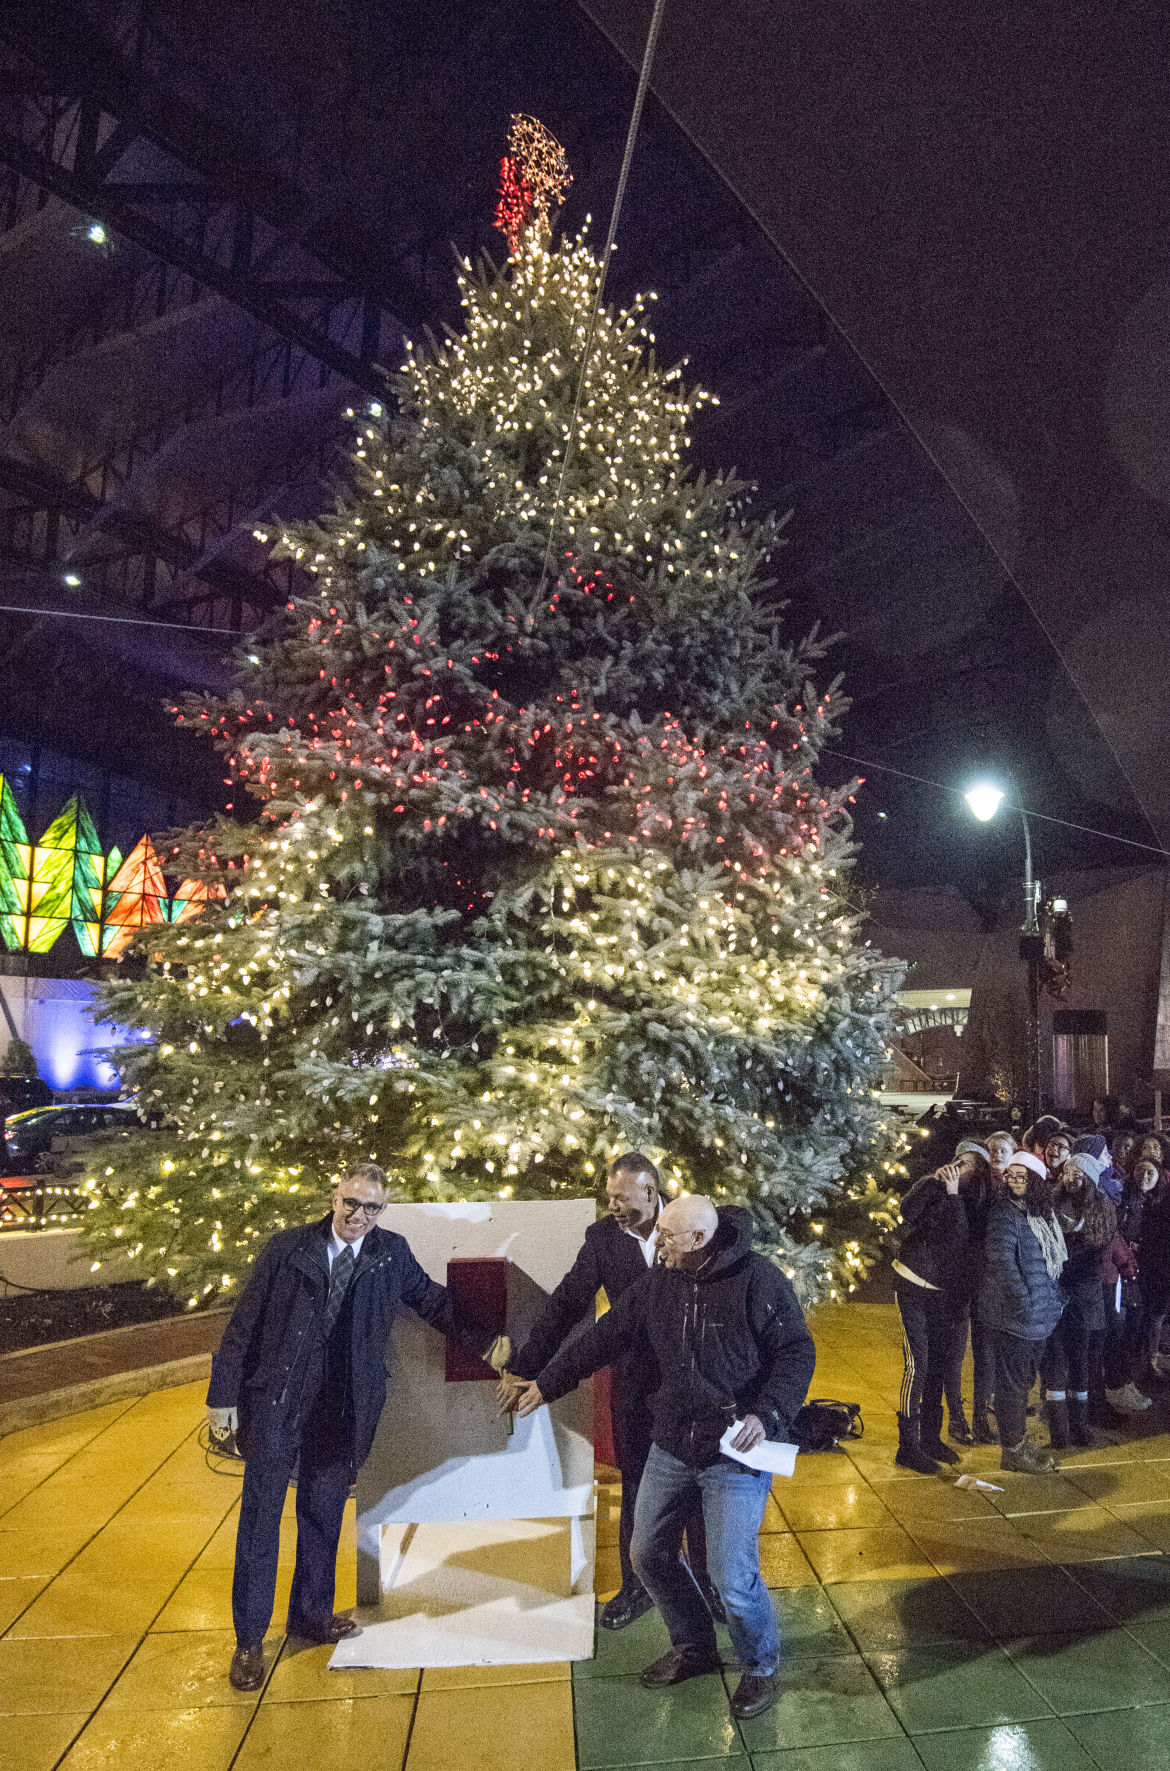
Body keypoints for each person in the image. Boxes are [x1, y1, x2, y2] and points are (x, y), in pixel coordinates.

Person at [511, 1194, 815, 1723]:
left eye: (669, 1236)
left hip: (736, 1449)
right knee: (647, 1553)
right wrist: (547, 1381)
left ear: (698, 1239)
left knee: (730, 1575)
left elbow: (796, 1352)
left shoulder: (759, 1281)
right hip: (673, 1441)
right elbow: (604, 1338)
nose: (659, 1244)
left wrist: (765, 1413)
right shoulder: (658, 1283)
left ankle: (760, 1666)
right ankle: (694, 1646)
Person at [205, 1163, 505, 1690]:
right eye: (351, 1202)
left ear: (382, 1210)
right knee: (260, 1521)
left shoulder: (391, 1253)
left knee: (321, 1513)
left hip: (341, 1408)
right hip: (278, 1401)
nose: (358, 1215)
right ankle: (249, 1640)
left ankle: (311, 1615)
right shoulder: (288, 1249)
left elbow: (433, 1302)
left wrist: (486, 1341)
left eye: (372, 1207)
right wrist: (222, 1397)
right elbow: (243, 1324)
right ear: (334, 1197)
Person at [496, 1151, 720, 1630]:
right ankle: (636, 1586)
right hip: (634, 1377)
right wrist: (526, 1366)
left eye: (622, 1198)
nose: (614, 1206)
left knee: (704, 1483)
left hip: (693, 1376)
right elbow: (566, 1305)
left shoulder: (688, 1225)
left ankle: (709, 1583)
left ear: (651, 1192)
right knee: (637, 1481)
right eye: (609, 1197)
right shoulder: (601, 1240)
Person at [891, 1142, 992, 1471]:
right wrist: (931, 1183)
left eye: (968, 1165)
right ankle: (907, 1445)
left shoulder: (973, 1201)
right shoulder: (935, 1187)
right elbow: (908, 1211)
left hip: (943, 1294)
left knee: (937, 1366)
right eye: (958, 1160)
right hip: (912, 1282)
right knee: (917, 1364)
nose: (959, 1167)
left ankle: (931, 1438)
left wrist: (952, 1195)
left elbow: (959, 1236)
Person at [976, 1150, 1067, 1473]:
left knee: (1024, 1382)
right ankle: (1013, 1451)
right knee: (1012, 1385)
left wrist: (1052, 1300)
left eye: (1022, 1175)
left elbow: (1052, 1263)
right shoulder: (1005, 1213)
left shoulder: (1041, 1214)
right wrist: (1025, 1301)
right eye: (1010, 1174)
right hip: (1016, 1317)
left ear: (1037, 1181)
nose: (1014, 1180)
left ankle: (1018, 1442)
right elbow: (1001, 1261)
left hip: (1040, 1316)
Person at [1041, 1152, 1116, 1448]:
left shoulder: (1101, 1210)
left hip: (1083, 1298)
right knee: (1055, 1361)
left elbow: (1095, 1255)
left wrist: (1067, 1256)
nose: (1071, 1179)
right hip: (1055, 1296)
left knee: (1080, 1362)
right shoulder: (1051, 1205)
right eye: (1068, 1172)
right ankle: (1059, 1431)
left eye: (1078, 1174)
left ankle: (1080, 1426)